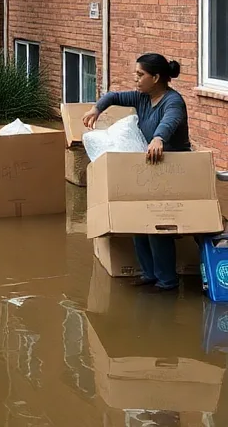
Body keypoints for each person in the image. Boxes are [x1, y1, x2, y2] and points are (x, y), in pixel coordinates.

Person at [82, 53, 190, 291]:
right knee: (138, 223)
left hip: (173, 168)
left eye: (140, 75)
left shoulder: (173, 101)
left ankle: (167, 282)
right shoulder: (143, 97)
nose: (135, 78)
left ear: (156, 77)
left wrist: (159, 137)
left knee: (156, 227)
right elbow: (113, 96)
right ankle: (150, 274)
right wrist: (96, 109)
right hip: (150, 167)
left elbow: (171, 120)